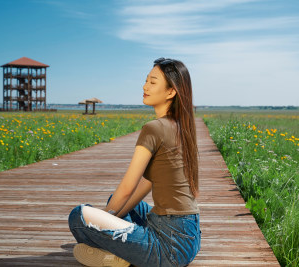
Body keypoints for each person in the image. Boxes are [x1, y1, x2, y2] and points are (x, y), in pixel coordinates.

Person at [68, 57, 201, 267]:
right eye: (146, 80)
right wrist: (109, 221)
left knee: (79, 216)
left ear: (170, 92)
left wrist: (101, 224)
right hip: (189, 240)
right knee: (118, 204)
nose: (145, 86)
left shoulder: (154, 128)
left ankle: (120, 253)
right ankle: (122, 250)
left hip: (168, 248)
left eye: (153, 82)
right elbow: (145, 185)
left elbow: (128, 188)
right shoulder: (181, 127)